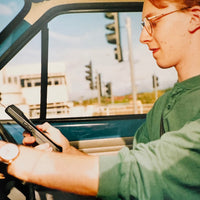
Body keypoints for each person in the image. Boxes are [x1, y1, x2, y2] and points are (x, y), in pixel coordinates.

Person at [1, 0, 200, 199]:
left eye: (153, 22)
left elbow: (143, 175)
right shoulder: (162, 105)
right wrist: (66, 151)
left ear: (194, 19)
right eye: (143, 25)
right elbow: (127, 176)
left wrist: (13, 156)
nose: (143, 37)